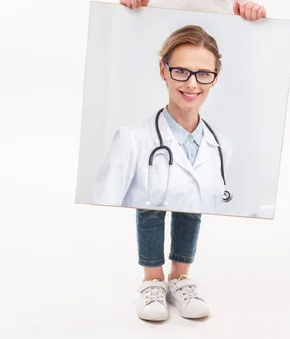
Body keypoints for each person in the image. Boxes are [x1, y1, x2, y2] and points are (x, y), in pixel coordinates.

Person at [119, 0, 267, 321]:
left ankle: (181, 277)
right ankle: (151, 281)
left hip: (198, 101)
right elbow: (134, 27)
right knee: (151, 188)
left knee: (190, 192)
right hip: (164, 98)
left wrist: (251, 15)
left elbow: (238, 30)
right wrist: (131, 2)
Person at [92, 25, 230, 214]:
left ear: (215, 78)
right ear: (163, 71)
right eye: (181, 71)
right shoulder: (131, 141)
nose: (192, 84)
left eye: (203, 74)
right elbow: (100, 215)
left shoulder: (221, 147)